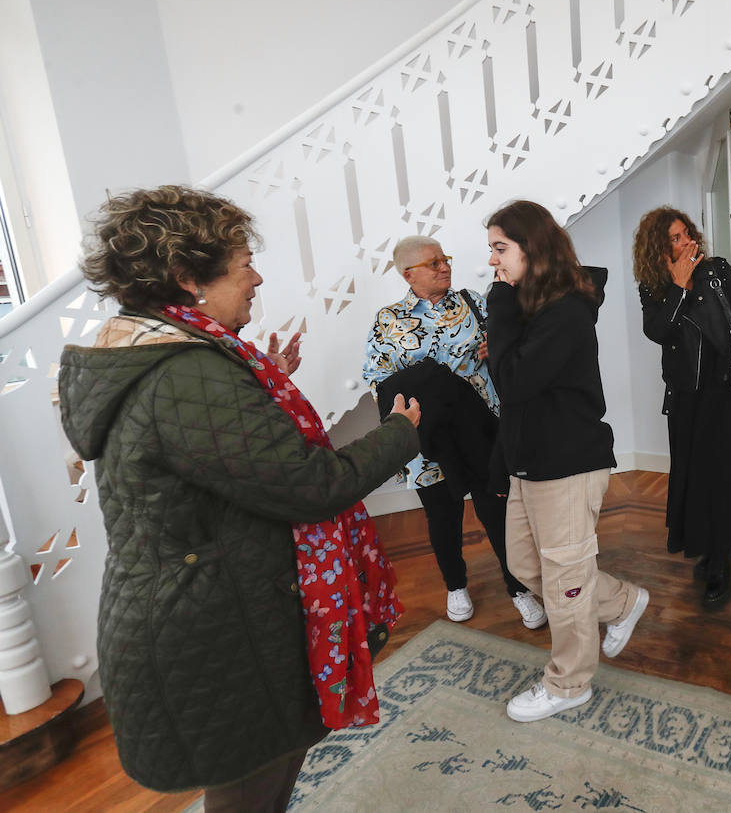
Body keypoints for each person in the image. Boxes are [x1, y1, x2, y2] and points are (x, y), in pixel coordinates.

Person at [58, 186, 421, 811]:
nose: (256, 278)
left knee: (261, 779)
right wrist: (401, 432)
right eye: (243, 264)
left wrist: (263, 387)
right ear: (187, 278)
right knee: (253, 789)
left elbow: (226, 450)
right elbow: (311, 486)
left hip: (212, 608)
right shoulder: (187, 374)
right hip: (218, 627)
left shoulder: (170, 354)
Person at [484, 200, 650, 724]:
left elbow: (512, 384)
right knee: (526, 566)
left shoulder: (564, 312)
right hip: (530, 463)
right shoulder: (533, 307)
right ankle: (622, 603)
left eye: (500, 248)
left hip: (567, 465)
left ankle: (570, 683)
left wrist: (498, 306)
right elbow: (516, 395)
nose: (493, 261)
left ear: (531, 247)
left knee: (565, 583)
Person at [363, 236, 546, 630]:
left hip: (481, 429)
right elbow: (377, 378)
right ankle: (455, 585)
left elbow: (512, 347)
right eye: (433, 263)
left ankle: (519, 588)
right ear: (408, 274)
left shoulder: (473, 303)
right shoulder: (388, 320)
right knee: (441, 515)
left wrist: (496, 351)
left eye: (444, 258)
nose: (445, 266)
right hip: (427, 438)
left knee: (497, 511)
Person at [632, 207, 731, 608]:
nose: (685, 243)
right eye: (674, 239)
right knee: (694, 477)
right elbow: (658, 331)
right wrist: (678, 287)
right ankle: (706, 548)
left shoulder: (718, 271)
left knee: (725, 476)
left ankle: (722, 558)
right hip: (686, 398)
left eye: (686, 234)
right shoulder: (654, 286)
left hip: (727, 392)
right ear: (658, 249)